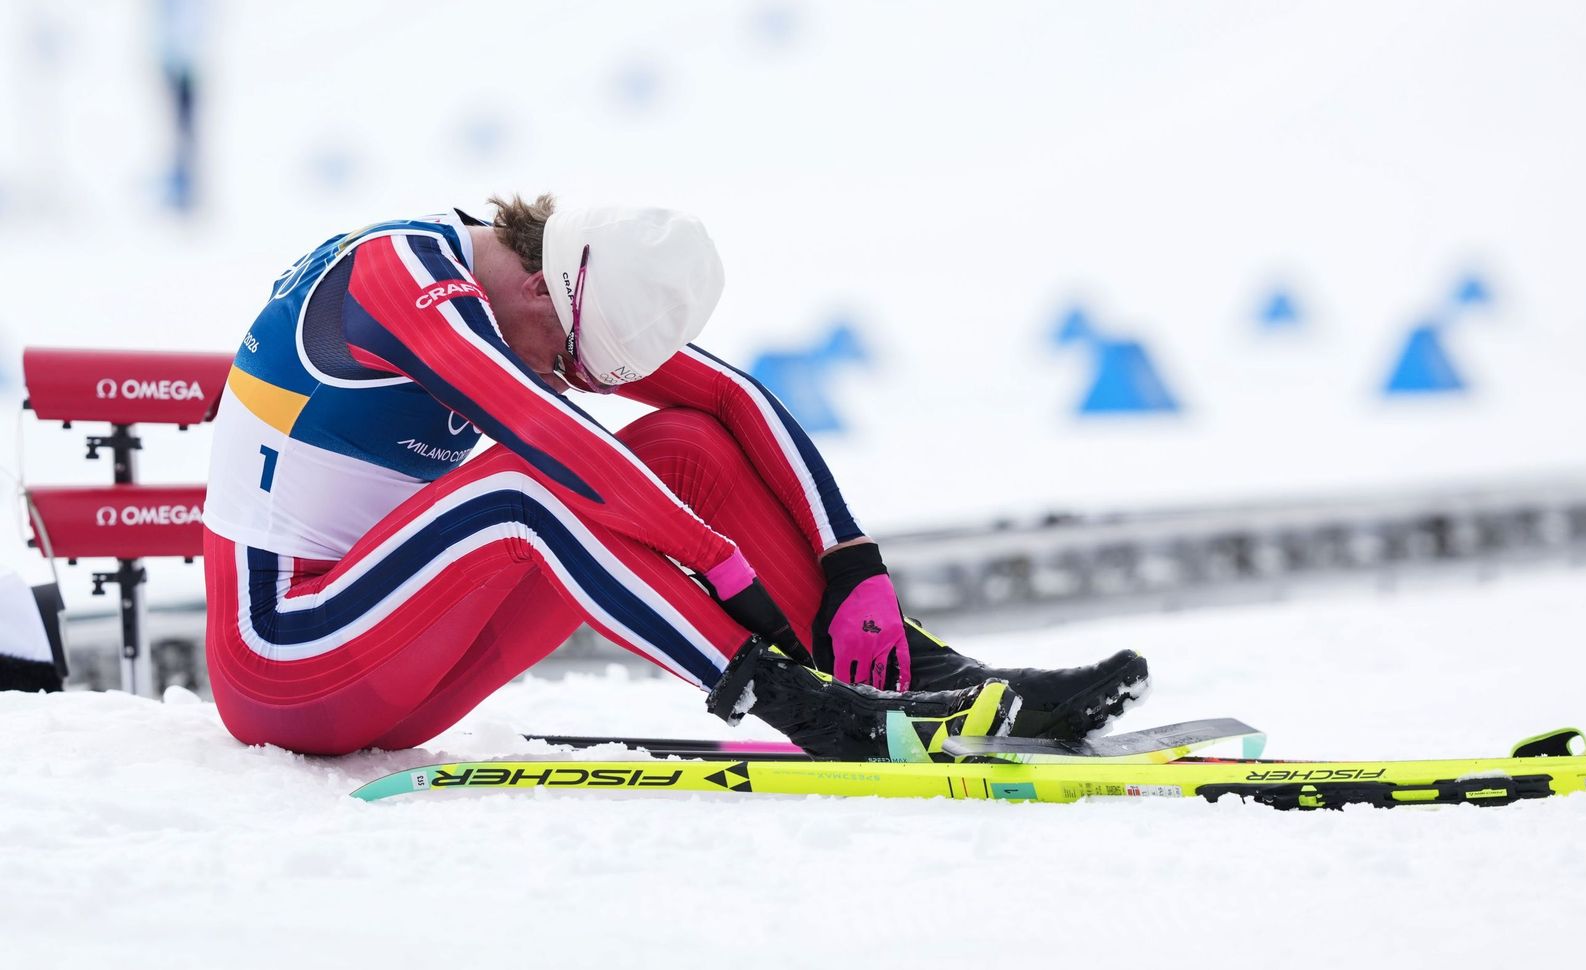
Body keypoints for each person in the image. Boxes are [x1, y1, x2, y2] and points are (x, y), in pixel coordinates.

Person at [201, 196, 1147, 758]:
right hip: (284, 663)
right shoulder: (396, 276)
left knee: (687, 441)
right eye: (564, 360)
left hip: (407, 661)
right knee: (528, 486)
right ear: (536, 288)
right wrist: (716, 563)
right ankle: (794, 702)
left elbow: (731, 396)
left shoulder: (539, 292)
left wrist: (853, 564)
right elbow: (545, 434)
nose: (562, 376)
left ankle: (930, 680)